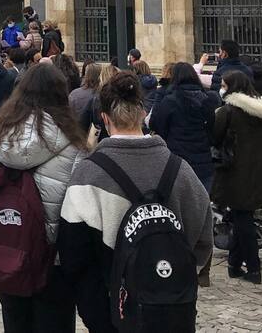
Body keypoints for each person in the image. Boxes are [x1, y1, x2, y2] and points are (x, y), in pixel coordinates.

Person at [58, 71, 214, 333]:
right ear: (143, 114)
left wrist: (95, 314)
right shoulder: (181, 171)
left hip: (111, 309)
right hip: (172, 306)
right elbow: (203, 239)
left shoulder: (88, 175)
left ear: (105, 119)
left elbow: (74, 257)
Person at [0, 63, 87, 333]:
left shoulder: (0, 136)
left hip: (9, 248)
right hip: (53, 257)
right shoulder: (74, 144)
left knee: (15, 324)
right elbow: (77, 207)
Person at [212, 71, 262, 283]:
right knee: (241, 218)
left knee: (243, 221)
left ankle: (253, 268)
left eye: (224, 85)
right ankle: (234, 264)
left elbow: (215, 138)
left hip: (236, 173)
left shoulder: (228, 112)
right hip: (258, 171)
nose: (222, 88)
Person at [149, 62, 222, 190]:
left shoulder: (170, 100)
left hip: (176, 157)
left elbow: (157, 124)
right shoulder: (206, 99)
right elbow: (211, 128)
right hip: (202, 158)